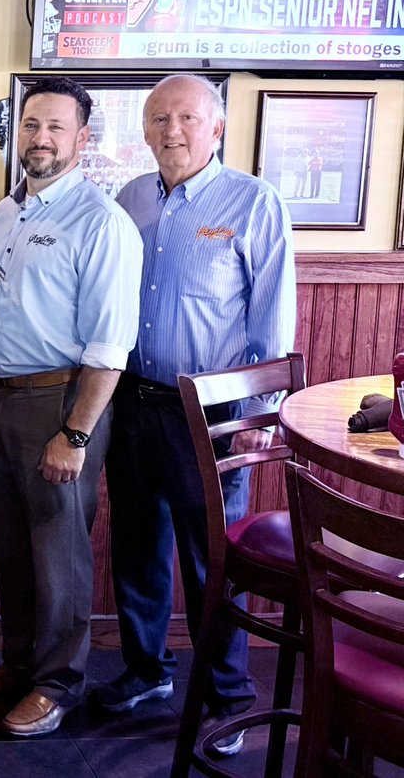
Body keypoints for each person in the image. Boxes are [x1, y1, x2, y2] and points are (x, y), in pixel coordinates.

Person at [93, 74, 295, 758]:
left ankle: (228, 696)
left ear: (216, 128)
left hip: (208, 416)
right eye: (158, 118)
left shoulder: (254, 202)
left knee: (212, 558)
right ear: (144, 130)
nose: (170, 130)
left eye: (185, 117)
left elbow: (273, 318)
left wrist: (260, 414)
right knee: (137, 547)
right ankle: (147, 671)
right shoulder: (129, 198)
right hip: (133, 402)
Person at [0, 77, 141, 737]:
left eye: (56, 127)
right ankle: (19, 662)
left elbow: (109, 347)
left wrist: (76, 432)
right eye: (32, 124)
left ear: (82, 139)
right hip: (1, 400)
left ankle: (57, 684)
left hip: (59, 407)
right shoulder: (8, 212)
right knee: (14, 548)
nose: (41, 138)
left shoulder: (102, 222)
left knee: (59, 553)